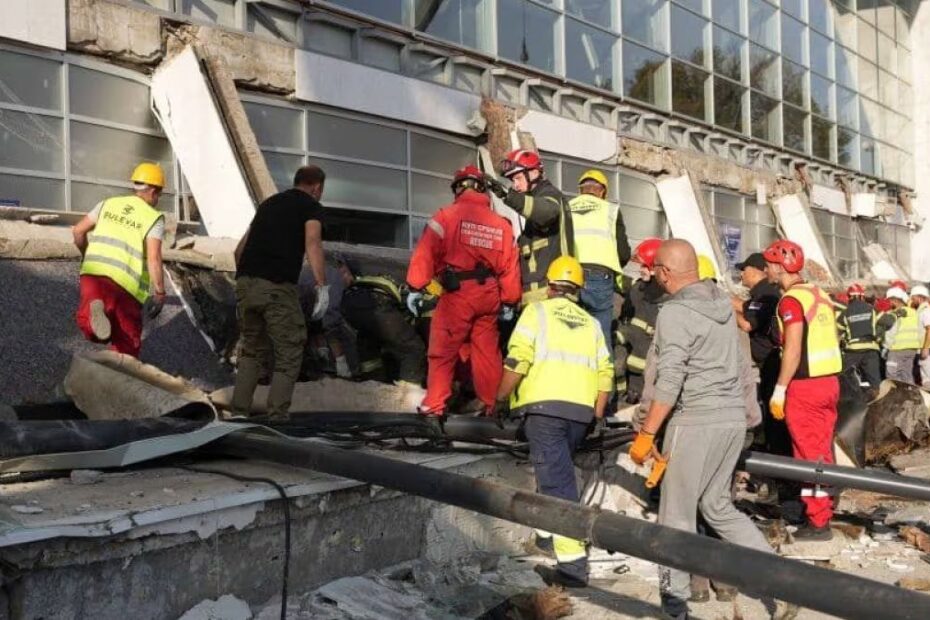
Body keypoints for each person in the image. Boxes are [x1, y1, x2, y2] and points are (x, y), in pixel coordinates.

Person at [628, 239, 774, 618]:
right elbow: (743, 367)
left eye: (655, 270)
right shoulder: (724, 304)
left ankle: (674, 606)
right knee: (717, 505)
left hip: (693, 422)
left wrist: (646, 432)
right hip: (730, 421)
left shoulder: (675, 313)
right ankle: (783, 582)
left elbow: (668, 379)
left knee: (674, 518)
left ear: (664, 272)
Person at [494, 255, 612, 588]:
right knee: (556, 475)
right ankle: (547, 538)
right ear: (578, 290)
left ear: (549, 286)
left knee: (558, 486)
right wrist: (597, 416)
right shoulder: (591, 324)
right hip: (580, 415)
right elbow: (605, 374)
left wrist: (499, 399)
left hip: (545, 412)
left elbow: (517, 360)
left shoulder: (537, 312)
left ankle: (572, 567)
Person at [406, 165, 521, 417]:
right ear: (482, 188)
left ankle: (434, 407)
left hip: (458, 294)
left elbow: (425, 254)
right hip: (490, 296)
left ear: (458, 188)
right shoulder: (502, 225)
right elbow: (510, 267)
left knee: (442, 352)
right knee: (487, 353)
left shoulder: (445, 217)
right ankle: (492, 407)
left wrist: (416, 285)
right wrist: (510, 301)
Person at [230, 165, 328, 418]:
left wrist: (246, 280)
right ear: (316, 187)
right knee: (289, 351)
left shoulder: (268, 204)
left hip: (245, 284)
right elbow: (313, 243)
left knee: (252, 350)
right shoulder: (310, 206)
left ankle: (238, 412)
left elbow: (238, 250)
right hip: (276, 287)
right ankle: (277, 418)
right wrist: (322, 285)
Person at [764, 239, 842, 541]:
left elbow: (793, 348)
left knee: (808, 454)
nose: (767, 269)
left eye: (770, 263)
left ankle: (819, 521)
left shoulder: (790, 301)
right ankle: (827, 503)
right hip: (829, 382)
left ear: (779, 266)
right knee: (822, 449)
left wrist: (780, 389)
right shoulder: (818, 294)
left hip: (805, 386)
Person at [72, 162, 168, 357]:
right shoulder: (153, 217)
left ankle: (94, 317)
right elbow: (154, 258)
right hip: (125, 286)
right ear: (152, 190)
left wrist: (86, 255)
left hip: (93, 274)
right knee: (127, 343)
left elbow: (78, 231)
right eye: (159, 193)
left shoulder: (107, 204)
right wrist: (159, 292)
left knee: (91, 326)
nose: (158, 199)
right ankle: (121, 377)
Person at [487, 149, 573, 305]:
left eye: (518, 178)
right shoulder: (534, 202)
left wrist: (508, 195)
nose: (516, 185)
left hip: (552, 295)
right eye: (512, 181)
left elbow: (547, 212)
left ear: (533, 173)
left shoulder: (550, 195)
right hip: (539, 297)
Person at [731, 252, 787, 456]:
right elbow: (745, 308)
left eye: (744, 270)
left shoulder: (766, 294)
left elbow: (747, 323)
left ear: (754, 270)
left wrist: (724, 305)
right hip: (767, 363)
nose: (741, 275)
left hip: (770, 363)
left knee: (773, 416)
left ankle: (776, 459)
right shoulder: (760, 295)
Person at [337, 258, 427, 386]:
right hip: (377, 304)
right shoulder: (412, 288)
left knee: (370, 345)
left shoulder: (364, 281)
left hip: (351, 306)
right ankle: (407, 394)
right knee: (413, 348)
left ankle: (372, 385)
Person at [567, 169, 631, 343]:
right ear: (602, 191)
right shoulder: (611, 210)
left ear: (581, 189)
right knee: (600, 336)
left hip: (570, 276)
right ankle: (603, 369)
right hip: (600, 276)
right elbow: (623, 252)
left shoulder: (567, 207)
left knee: (572, 333)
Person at [615, 238, 663, 403]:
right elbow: (621, 282)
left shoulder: (666, 298)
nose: (641, 270)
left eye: (645, 266)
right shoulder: (638, 288)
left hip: (650, 375)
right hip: (631, 369)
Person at [838, 283, 882, 391]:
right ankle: (877, 401)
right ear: (862, 296)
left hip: (853, 351)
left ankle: (851, 402)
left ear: (849, 297)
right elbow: (884, 322)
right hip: (871, 349)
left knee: (844, 380)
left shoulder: (845, 312)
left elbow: (838, 331)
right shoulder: (872, 309)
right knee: (875, 383)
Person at [882, 286, 920, 385]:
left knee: (892, 377)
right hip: (912, 350)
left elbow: (891, 332)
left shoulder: (894, 314)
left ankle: (896, 398)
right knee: (907, 375)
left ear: (895, 300)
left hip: (897, 349)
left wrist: (886, 347)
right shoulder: (914, 312)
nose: (889, 303)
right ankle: (912, 397)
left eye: (890, 300)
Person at [911, 285, 930, 388]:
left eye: (913, 298)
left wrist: (925, 348)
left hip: (926, 350)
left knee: (927, 380)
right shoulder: (920, 311)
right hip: (922, 349)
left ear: (919, 297)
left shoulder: (926, 311)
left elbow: (929, 329)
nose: (912, 300)